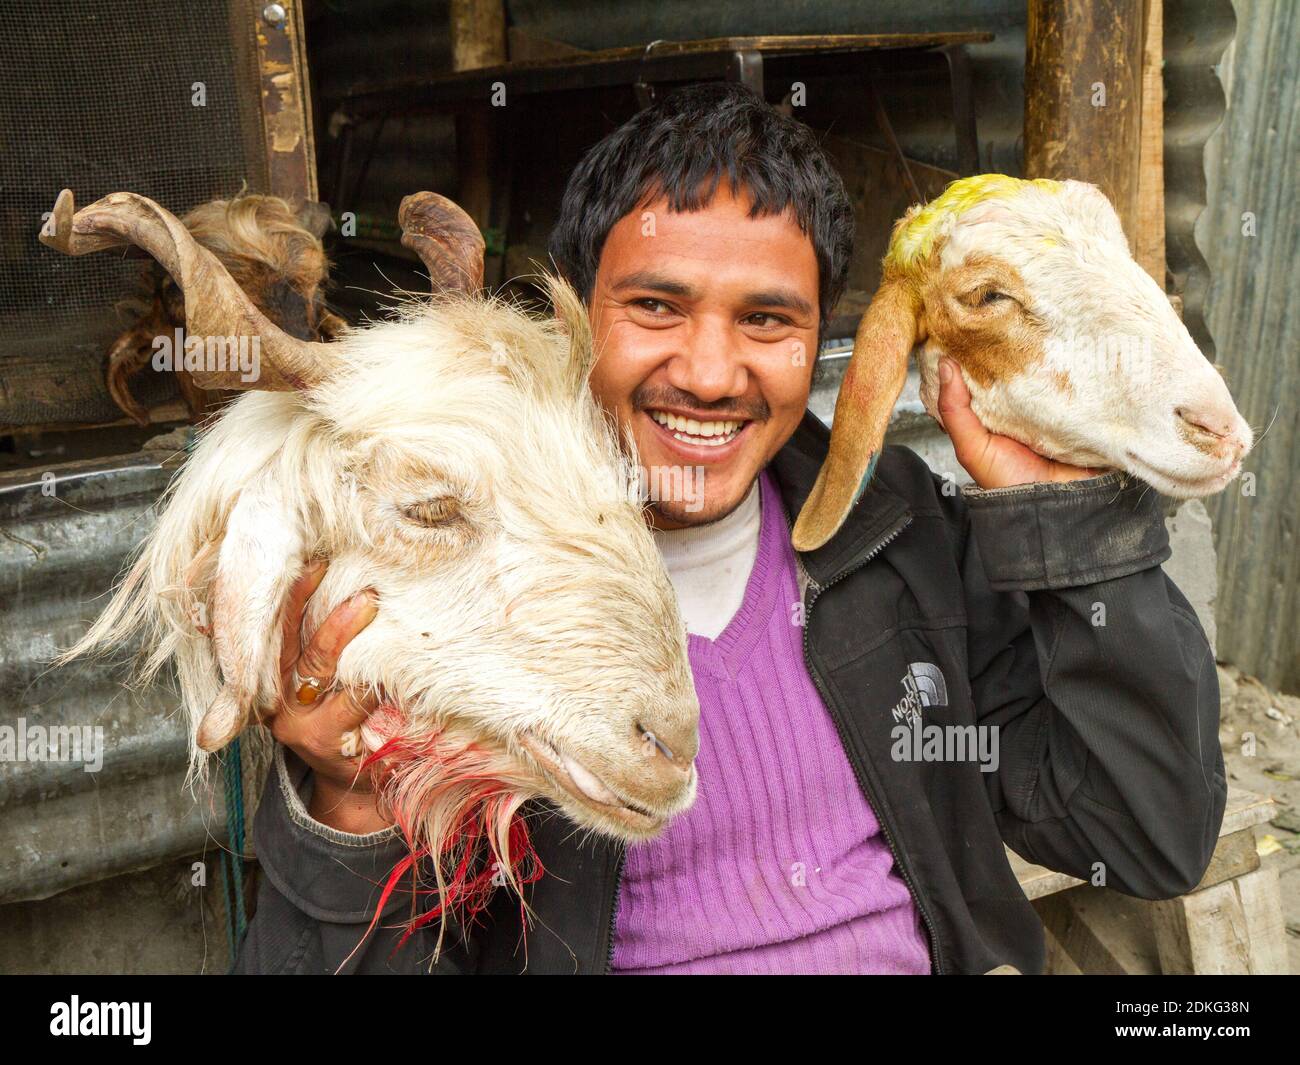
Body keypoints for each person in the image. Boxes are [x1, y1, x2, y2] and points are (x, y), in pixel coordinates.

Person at [233, 82, 1224, 975]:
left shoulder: (902, 540)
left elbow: (1144, 836)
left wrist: (1064, 520)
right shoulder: (450, 591)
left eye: (766, 321)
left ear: (820, 343)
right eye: (656, 306)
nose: (710, 374)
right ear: (576, 321)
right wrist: (350, 811)